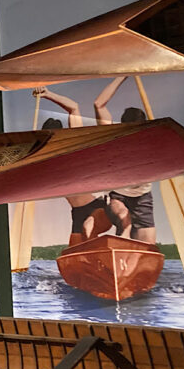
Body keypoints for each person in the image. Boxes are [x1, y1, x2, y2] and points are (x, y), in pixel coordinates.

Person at [34, 86, 112, 245]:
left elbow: (74, 108)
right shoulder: (45, 159)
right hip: (77, 212)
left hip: (98, 207)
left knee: (87, 228)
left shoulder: (73, 148)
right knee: (74, 250)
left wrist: (48, 94)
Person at [94, 77, 156, 244]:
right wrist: (124, 75)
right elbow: (99, 104)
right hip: (119, 197)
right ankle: (122, 241)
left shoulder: (150, 140)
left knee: (148, 246)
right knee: (124, 220)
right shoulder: (113, 136)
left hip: (143, 198)